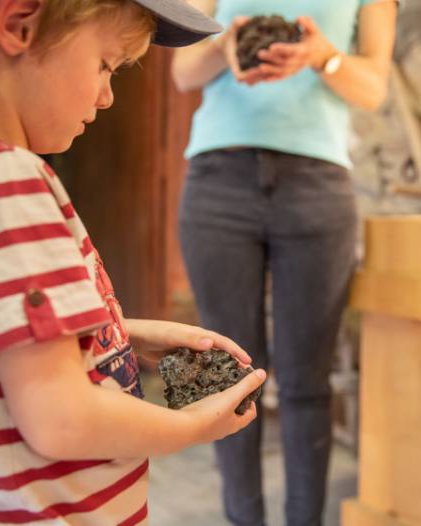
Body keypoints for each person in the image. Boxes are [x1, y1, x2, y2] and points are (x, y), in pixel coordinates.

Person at [0, 1, 267, 524]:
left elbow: (4, 340)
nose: (108, 96)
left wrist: (115, 331)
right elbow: (60, 420)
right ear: (18, 24)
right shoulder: (13, 181)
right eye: (105, 65)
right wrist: (194, 427)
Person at [172, 1, 398, 525]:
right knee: (222, 375)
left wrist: (324, 58)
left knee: (305, 380)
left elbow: (374, 88)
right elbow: (184, 70)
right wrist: (225, 48)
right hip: (217, 182)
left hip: (317, 188)